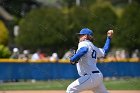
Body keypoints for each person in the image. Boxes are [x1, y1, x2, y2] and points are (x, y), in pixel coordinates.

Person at [66, 28, 113, 93]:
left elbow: (84, 50)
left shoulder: (83, 43)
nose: (79, 37)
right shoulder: (94, 47)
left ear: (85, 36)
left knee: (70, 89)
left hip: (91, 76)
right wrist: (109, 38)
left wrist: (73, 59)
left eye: (81, 35)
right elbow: (105, 50)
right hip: (97, 77)